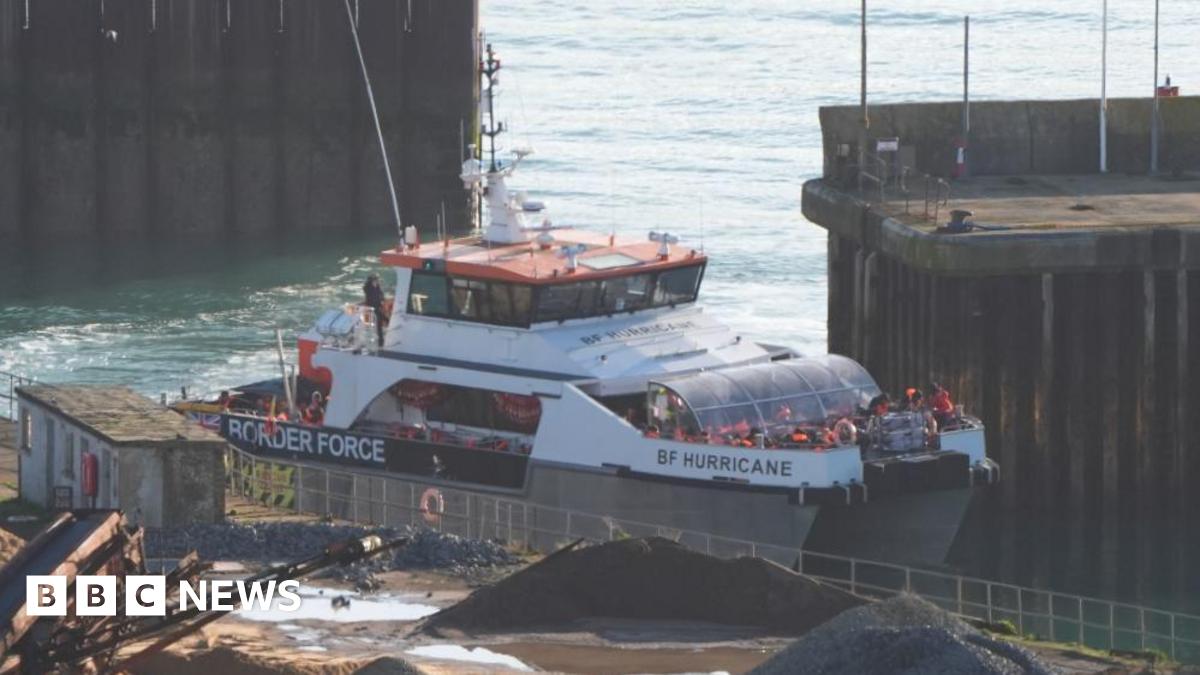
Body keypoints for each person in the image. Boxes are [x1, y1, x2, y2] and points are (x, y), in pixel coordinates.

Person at [363, 273, 386, 347]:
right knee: (378, 323)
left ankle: (381, 340)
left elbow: (381, 295)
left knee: (383, 320)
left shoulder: (377, 287)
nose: (377, 281)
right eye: (376, 280)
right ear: (372, 281)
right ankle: (380, 342)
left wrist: (382, 300)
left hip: (377, 307)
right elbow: (372, 298)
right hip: (372, 309)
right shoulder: (368, 288)